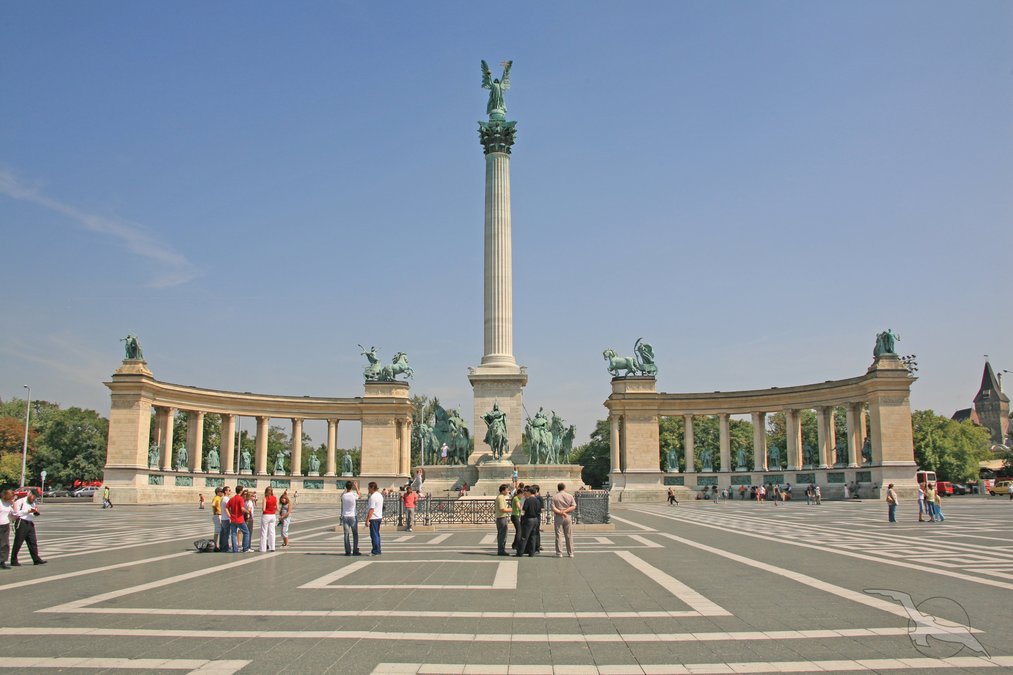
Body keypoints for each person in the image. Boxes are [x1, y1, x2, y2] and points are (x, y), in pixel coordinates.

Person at [11, 492, 46, 565]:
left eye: (34, 499)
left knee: (33, 542)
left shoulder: (33, 503)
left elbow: (32, 514)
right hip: (21, 522)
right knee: (18, 542)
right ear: (29, 495)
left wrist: (35, 512)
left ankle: (36, 559)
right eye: (32, 498)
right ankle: (13, 560)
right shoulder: (20, 501)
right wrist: (27, 511)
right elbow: (15, 513)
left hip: (30, 523)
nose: (33, 500)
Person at [551, 482, 576, 558]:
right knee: (569, 535)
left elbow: (553, 508)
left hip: (558, 516)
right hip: (567, 516)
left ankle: (559, 553)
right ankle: (570, 552)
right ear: (564, 488)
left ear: (558, 488)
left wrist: (561, 512)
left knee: (558, 534)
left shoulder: (555, 497)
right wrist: (565, 512)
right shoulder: (569, 496)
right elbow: (573, 506)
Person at [516, 487, 542, 557]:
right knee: (533, 536)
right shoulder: (537, 500)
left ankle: (520, 552)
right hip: (535, 519)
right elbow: (539, 510)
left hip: (528, 519)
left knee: (524, 536)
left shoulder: (528, 500)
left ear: (530, 492)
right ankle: (532, 552)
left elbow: (524, 510)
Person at [341, 481, 361, 556]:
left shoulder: (343, 495)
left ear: (346, 487)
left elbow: (342, 495)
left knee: (346, 534)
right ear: (352, 487)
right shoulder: (353, 494)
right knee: (355, 534)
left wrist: (345, 489)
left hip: (345, 516)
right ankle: (355, 550)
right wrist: (356, 487)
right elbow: (359, 495)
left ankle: (347, 551)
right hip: (353, 516)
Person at [227, 485, 250, 553]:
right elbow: (242, 508)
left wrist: (229, 515)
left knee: (233, 534)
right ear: (241, 491)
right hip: (240, 519)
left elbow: (226, 507)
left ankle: (235, 549)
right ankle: (245, 548)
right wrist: (247, 511)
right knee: (246, 532)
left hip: (233, 519)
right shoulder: (240, 499)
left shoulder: (232, 498)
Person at [366, 481, 383, 556]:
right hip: (379, 517)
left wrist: (367, 520)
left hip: (374, 518)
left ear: (372, 488)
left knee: (374, 535)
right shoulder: (380, 495)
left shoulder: (373, 497)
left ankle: (375, 551)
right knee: (377, 534)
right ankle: (378, 550)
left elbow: (371, 509)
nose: (368, 489)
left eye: (369, 488)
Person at [494, 484, 511, 556]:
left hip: (501, 518)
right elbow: (502, 509)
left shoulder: (501, 497)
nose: (508, 491)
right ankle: (501, 550)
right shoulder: (500, 497)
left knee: (502, 535)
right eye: (507, 490)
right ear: (503, 491)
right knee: (502, 535)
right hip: (502, 518)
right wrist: (512, 509)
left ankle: (501, 549)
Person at [259, 487, 278, 552]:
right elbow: (277, 508)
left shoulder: (265, 498)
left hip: (266, 515)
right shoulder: (275, 498)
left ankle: (263, 548)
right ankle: (272, 547)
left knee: (264, 532)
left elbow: (263, 509)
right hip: (273, 515)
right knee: (272, 532)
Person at [0, 490, 13, 569]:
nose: (11, 497)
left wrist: (13, 504)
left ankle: (2, 561)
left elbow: (14, 513)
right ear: (5, 495)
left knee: (5, 544)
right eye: (10, 495)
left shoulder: (8, 504)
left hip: (5, 524)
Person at [510, 483, 524, 552]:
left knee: (518, 530)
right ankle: (516, 545)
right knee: (519, 531)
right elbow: (519, 507)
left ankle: (514, 544)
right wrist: (524, 509)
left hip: (516, 515)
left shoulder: (518, 498)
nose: (522, 496)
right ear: (519, 494)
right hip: (514, 516)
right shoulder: (516, 498)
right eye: (522, 495)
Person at [218, 486, 232, 553]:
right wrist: (230, 516)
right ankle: (225, 548)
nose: (230, 491)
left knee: (222, 533)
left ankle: (222, 546)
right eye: (229, 490)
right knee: (226, 534)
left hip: (223, 517)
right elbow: (229, 508)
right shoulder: (226, 499)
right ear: (225, 491)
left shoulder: (222, 498)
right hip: (226, 518)